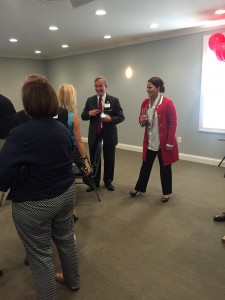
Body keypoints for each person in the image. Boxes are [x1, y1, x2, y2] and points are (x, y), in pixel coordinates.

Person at [0, 76, 80, 299]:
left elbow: (2, 177)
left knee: (40, 255)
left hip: (35, 204)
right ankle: (73, 280)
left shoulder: (19, 134)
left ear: (27, 104)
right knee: (65, 240)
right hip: (66, 195)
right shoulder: (61, 128)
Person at [130, 76, 179, 202]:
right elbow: (142, 118)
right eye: (147, 87)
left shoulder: (168, 103)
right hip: (150, 140)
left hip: (163, 142)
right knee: (145, 165)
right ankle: (139, 187)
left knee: (165, 167)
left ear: (158, 88)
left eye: (150, 87)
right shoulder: (145, 102)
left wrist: (170, 142)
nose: (147, 90)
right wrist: (142, 121)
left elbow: (173, 123)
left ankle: (166, 192)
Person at [81, 76, 125, 192]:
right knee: (95, 160)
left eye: (101, 86)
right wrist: (89, 113)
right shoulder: (90, 100)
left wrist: (111, 119)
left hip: (109, 135)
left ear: (106, 86)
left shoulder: (114, 100)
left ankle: (108, 181)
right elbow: (83, 116)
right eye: (96, 86)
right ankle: (94, 182)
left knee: (109, 159)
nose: (98, 88)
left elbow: (121, 117)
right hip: (95, 135)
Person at [57, 83, 91, 220]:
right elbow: (78, 141)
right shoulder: (73, 117)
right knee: (85, 168)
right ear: (72, 97)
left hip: (56, 152)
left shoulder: (53, 114)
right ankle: (70, 207)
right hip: (70, 153)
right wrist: (85, 160)